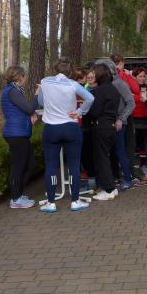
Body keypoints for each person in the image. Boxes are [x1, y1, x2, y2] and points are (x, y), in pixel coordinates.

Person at [36, 60, 94, 212]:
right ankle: (75, 201)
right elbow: (90, 98)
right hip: (70, 127)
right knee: (74, 164)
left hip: (51, 128)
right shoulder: (73, 84)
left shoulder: (45, 82)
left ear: (54, 69)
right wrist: (80, 112)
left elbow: (41, 101)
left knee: (51, 165)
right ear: (70, 71)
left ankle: (51, 203)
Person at [95, 57, 138, 190]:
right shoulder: (101, 85)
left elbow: (131, 103)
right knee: (110, 153)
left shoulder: (119, 84)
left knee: (120, 151)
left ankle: (128, 180)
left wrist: (121, 119)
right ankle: (113, 179)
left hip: (119, 123)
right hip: (106, 123)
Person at [1, 65, 39, 209]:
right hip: (16, 134)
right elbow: (28, 108)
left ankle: (18, 194)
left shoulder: (13, 90)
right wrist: (37, 95)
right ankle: (15, 199)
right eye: (25, 76)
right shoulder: (12, 91)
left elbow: (22, 110)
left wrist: (30, 114)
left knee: (30, 165)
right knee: (19, 166)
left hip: (20, 133)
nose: (26, 78)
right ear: (20, 77)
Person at [88, 64, 122, 201]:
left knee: (102, 159)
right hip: (110, 126)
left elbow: (94, 112)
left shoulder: (98, 91)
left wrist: (84, 107)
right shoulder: (113, 89)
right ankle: (111, 187)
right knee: (107, 158)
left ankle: (109, 189)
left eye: (94, 73)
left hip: (101, 127)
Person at [130, 67, 147, 176]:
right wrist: (140, 97)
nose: (143, 78)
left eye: (144, 76)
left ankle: (143, 165)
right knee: (133, 144)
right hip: (134, 118)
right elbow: (133, 98)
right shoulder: (130, 87)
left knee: (143, 143)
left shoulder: (146, 86)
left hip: (145, 118)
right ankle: (130, 168)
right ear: (134, 77)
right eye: (140, 76)